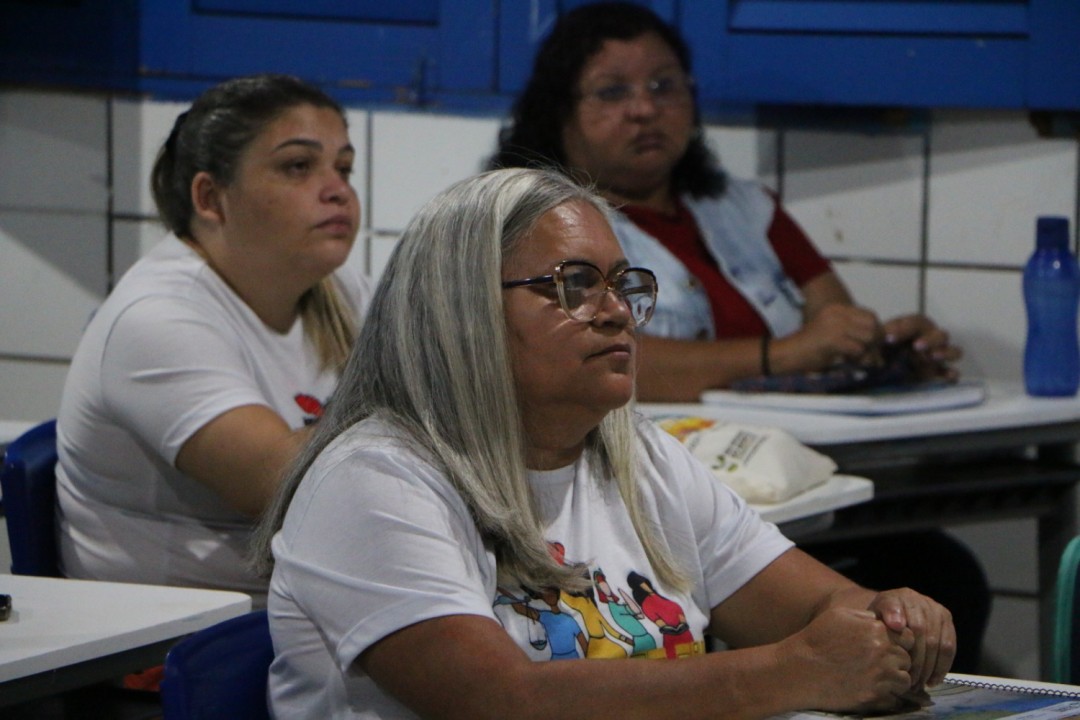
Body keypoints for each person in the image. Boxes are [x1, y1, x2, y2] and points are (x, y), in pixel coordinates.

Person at [252, 167, 955, 719]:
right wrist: (788, 671)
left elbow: (824, 612)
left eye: (624, 286)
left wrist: (893, 618)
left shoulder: (637, 457)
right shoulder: (375, 479)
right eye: (575, 286)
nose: (618, 313)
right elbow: (499, 702)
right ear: (460, 308)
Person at [485, 1, 989, 673]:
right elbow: (623, 358)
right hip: (644, 472)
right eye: (613, 92)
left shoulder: (743, 208)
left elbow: (834, 316)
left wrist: (882, 345)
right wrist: (783, 354)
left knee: (936, 572)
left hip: (773, 478)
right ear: (558, 112)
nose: (645, 110)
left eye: (664, 86)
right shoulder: (536, 229)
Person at [55, 74, 372, 605]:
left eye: (343, 168)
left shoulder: (339, 289)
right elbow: (284, 485)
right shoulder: (156, 319)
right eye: (298, 166)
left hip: (292, 615)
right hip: (172, 649)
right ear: (211, 197)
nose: (337, 188)